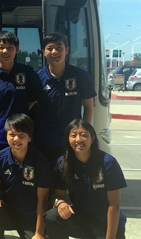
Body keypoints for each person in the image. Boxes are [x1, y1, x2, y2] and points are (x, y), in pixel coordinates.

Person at [44, 120, 126, 239]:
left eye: (84, 135)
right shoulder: (63, 163)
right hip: (81, 220)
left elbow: (114, 205)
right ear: (68, 139)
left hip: (106, 225)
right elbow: (58, 195)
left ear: (92, 138)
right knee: (52, 217)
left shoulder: (108, 163)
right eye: (73, 135)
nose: (78, 139)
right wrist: (60, 203)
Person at [34, 32, 96, 167]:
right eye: (49, 48)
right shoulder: (37, 78)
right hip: (44, 140)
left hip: (71, 140)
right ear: (43, 52)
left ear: (66, 50)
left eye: (59, 47)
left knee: (69, 181)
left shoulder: (80, 76)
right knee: (46, 180)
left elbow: (88, 107)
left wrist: (84, 134)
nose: (54, 52)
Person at [0, 31, 43, 153]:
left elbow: (33, 98)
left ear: (17, 49)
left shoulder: (27, 72)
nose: (5, 51)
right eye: (1, 48)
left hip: (21, 133)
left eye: (10, 48)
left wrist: (19, 113)